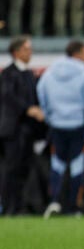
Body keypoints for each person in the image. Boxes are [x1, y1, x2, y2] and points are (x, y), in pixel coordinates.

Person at [38, 41, 84, 218]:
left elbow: (41, 93)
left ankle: (54, 202)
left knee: (57, 163)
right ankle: (74, 206)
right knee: (77, 164)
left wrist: (49, 116)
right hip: (78, 125)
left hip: (57, 125)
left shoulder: (50, 72)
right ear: (78, 54)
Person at [0, 37, 45, 215]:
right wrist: (28, 109)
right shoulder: (8, 73)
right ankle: (8, 206)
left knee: (23, 168)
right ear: (16, 52)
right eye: (26, 49)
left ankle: (19, 205)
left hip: (27, 129)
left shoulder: (28, 73)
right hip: (12, 129)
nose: (30, 52)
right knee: (11, 168)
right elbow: (8, 96)